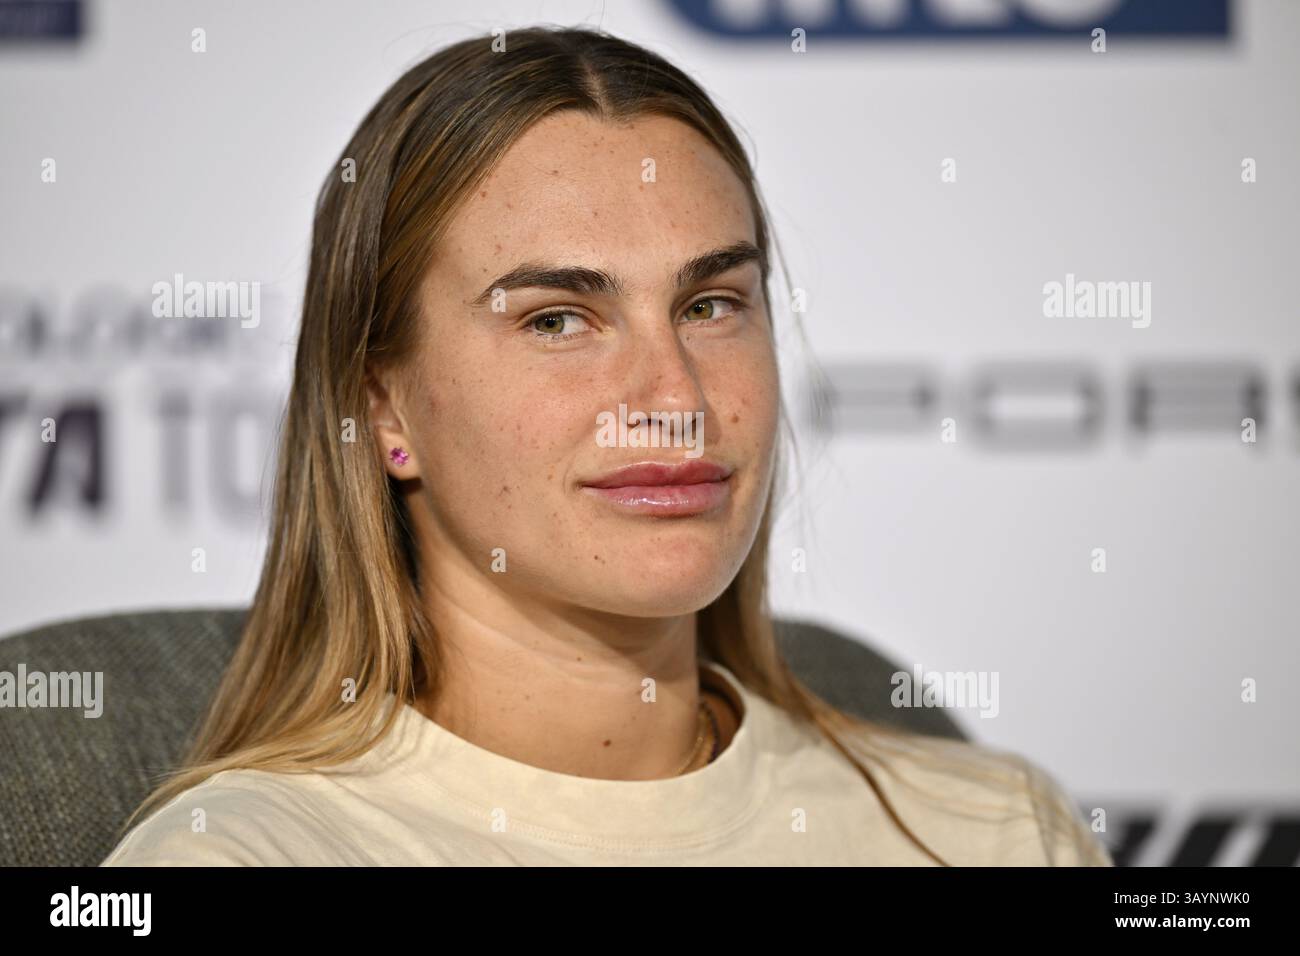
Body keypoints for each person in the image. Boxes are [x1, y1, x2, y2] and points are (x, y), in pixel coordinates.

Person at [101, 25, 1112, 867]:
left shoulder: (995, 833)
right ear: (385, 410)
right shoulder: (239, 859)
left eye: (710, 303)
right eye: (555, 320)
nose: (673, 395)